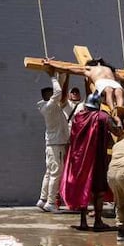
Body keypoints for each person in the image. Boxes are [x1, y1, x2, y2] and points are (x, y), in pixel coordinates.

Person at [60, 93, 116, 230]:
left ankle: (83, 221)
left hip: (79, 160)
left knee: (82, 189)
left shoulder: (78, 117)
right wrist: (117, 120)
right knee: (99, 192)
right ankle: (97, 221)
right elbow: (116, 130)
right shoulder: (102, 117)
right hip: (97, 159)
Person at [36, 66, 69, 212]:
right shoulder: (50, 106)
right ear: (48, 97)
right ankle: (50, 202)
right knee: (56, 173)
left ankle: (43, 199)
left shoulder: (49, 107)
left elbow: (58, 90)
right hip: (56, 144)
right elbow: (58, 92)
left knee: (49, 172)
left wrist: (60, 75)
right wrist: (52, 75)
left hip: (52, 144)